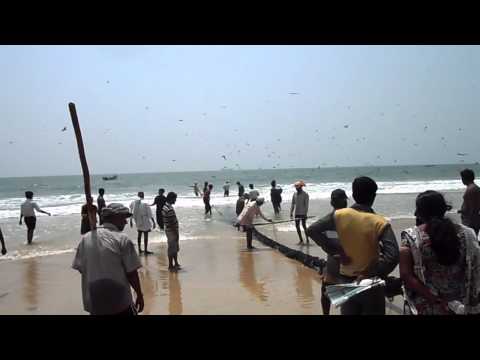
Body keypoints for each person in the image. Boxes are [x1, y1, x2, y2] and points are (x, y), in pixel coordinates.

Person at [306, 176, 399, 315]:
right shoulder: (379, 222)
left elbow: (312, 230)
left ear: (354, 195)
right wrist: (372, 272)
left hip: (346, 283)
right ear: (373, 196)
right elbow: (392, 256)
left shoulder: (339, 215)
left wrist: (337, 251)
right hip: (370, 284)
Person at [400, 190, 480, 315]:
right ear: (444, 209)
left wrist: (434, 299)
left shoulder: (411, 237)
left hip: (428, 303)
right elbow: (475, 267)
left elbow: (406, 275)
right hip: (460, 302)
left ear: (420, 213)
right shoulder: (467, 234)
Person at [72, 203, 144, 315]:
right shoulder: (122, 239)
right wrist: (139, 294)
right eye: (123, 218)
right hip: (119, 299)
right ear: (114, 217)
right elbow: (131, 273)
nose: (125, 222)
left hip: (94, 298)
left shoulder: (86, 238)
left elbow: (81, 268)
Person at [318, 189, 348, 315]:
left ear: (331, 202)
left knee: (326, 292)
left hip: (332, 262)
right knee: (348, 295)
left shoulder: (327, 221)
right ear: (346, 202)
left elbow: (315, 232)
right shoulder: (351, 219)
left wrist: (328, 248)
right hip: (349, 262)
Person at [162, 192, 181, 272]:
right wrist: (176, 234)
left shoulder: (165, 206)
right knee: (172, 248)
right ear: (171, 199)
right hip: (171, 230)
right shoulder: (168, 209)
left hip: (169, 229)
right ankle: (170, 265)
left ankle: (175, 263)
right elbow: (172, 223)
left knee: (174, 248)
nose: (175, 200)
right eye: (175, 199)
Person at [459, 169, 480, 235]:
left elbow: (473, 208)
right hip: (473, 220)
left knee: (469, 241)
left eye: (462, 178)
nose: (461, 180)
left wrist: (469, 223)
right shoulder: (474, 188)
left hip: (470, 221)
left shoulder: (471, 189)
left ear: (465, 178)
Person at [290, 181, 310, 245]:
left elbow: (306, 205)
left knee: (304, 226)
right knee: (297, 226)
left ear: (301, 187)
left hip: (303, 213)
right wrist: (291, 212)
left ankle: (307, 239)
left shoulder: (305, 194)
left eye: (297, 187)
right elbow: (293, 204)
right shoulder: (294, 194)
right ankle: (301, 240)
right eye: (296, 187)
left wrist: (305, 214)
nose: (296, 188)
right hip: (297, 213)